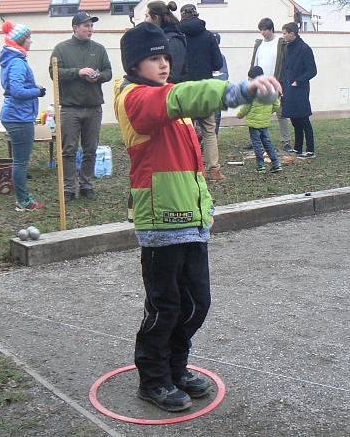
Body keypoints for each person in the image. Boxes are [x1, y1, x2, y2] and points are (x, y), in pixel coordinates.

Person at [114, 21, 280, 412]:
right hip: (160, 221)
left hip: (190, 219)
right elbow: (183, 97)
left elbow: (192, 164)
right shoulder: (136, 99)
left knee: (196, 303)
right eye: (155, 59)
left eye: (167, 58)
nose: (164, 65)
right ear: (135, 64)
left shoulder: (172, 100)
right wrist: (239, 88)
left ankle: (176, 367)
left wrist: (205, 211)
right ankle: (153, 379)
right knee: (165, 305)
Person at [49, 11, 112, 201]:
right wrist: (78, 72)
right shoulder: (61, 49)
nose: (90, 30)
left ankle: (87, 184)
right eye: (86, 26)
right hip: (70, 108)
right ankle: (69, 188)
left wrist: (98, 76)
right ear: (75, 28)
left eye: (91, 26)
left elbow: (108, 72)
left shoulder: (99, 49)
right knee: (68, 149)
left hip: (93, 107)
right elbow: (54, 73)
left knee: (90, 149)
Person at [0, 21, 46, 211]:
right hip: (18, 117)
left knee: (20, 161)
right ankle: (23, 201)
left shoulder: (12, 59)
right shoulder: (17, 62)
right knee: (20, 162)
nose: (31, 42)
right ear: (20, 41)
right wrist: (37, 91)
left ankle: (23, 197)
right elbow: (17, 90)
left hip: (16, 114)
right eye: (28, 38)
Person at [180, 3, 225, 181]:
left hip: (185, 89)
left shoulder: (178, 35)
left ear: (182, 16)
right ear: (197, 14)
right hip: (204, 88)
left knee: (186, 131)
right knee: (209, 130)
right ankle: (214, 169)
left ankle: (192, 170)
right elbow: (217, 64)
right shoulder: (208, 36)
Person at [251, 17, 294, 152]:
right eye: (261, 30)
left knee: (281, 113)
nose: (263, 33)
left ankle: (286, 141)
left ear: (271, 29)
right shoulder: (259, 44)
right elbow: (254, 63)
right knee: (259, 114)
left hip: (276, 84)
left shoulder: (280, 43)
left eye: (265, 30)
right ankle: (256, 140)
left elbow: (286, 65)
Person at [280, 21, 318, 158]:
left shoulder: (305, 48)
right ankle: (297, 147)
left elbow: (312, 71)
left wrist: (299, 80)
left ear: (292, 33)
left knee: (303, 119)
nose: (283, 36)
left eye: (285, 33)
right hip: (289, 87)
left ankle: (310, 149)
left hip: (300, 88)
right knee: (294, 119)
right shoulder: (287, 47)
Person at [237, 66, 283, 173]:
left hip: (254, 124)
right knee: (267, 143)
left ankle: (260, 165)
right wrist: (268, 113)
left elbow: (246, 106)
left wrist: (240, 115)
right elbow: (276, 104)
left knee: (257, 144)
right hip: (265, 122)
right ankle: (276, 163)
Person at [144, 0, 187, 82]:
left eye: (147, 16)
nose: (145, 20)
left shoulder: (173, 40)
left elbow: (174, 74)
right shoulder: (159, 38)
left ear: (156, 18)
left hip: (169, 91)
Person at [211, 32, 229, 135]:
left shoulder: (221, 57)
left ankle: (214, 138)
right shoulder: (205, 56)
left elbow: (224, 75)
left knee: (216, 116)